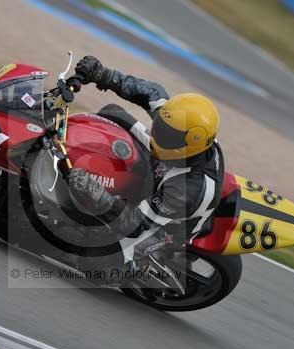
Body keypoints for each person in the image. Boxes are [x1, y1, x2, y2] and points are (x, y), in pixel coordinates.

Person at [67, 56, 225, 272]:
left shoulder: (188, 188)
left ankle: (142, 268)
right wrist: (103, 74)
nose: (160, 133)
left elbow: (136, 222)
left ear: (191, 142)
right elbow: (150, 92)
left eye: (168, 134)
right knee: (111, 114)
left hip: (165, 227)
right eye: (161, 125)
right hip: (161, 172)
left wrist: (99, 196)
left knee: (97, 264)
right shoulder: (181, 127)